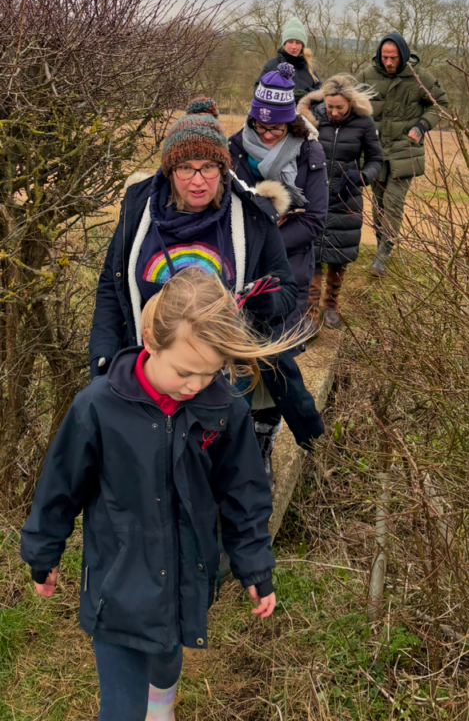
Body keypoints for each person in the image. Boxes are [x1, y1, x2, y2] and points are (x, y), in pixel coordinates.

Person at [21, 268, 298, 721]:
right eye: (185, 372)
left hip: (185, 571)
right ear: (151, 341)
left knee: (168, 652)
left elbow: (244, 494)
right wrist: (43, 552)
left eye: (210, 374)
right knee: (121, 706)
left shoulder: (224, 409)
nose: (195, 385)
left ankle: (162, 705)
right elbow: (60, 484)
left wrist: (254, 565)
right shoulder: (98, 405)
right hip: (117, 575)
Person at [89, 98, 324, 463]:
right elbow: (111, 283)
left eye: (209, 167)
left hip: (223, 376)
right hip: (151, 368)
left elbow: (286, 289)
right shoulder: (139, 210)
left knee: (216, 468)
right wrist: (103, 356)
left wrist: (264, 303)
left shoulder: (250, 216)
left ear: (223, 167)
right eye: (185, 167)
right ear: (169, 169)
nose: (198, 180)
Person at [229, 61, 328, 335]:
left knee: (280, 344)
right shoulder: (233, 149)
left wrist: (266, 244)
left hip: (288, 265)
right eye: (260, 127)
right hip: (240, 262)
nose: (268, 135)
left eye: (277, 128)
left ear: (290, 123)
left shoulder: (310, 154)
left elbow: (314, 221)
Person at [357, 32, 448, 276]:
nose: (388, 62)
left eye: (393, 57)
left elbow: (440, 105)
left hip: (404, 150)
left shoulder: (419, 76)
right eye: (385, 57)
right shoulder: (366, 76)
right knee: (378, 205)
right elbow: (348, 102)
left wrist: (421, 126)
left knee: (393, 203)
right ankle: (380, 247)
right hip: (375, 151)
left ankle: (383, 255)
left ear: (403, 55)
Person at [299, 75, 383, 328]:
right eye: (329, 106)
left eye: (339, 108)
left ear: (350, 103)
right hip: (312, 196)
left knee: (338, 254)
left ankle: (332, 305)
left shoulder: (364, 123)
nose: (333, 112)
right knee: (311, 253)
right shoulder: (311, 118)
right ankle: (311, 312)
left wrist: (361, 177)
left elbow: (376, 160)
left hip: (346, 197)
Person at [256, 17, 321, 102]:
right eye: (290, 42)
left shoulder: (309, 69)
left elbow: (321, 93)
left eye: (298, 43)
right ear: (284, 43)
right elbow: (257, 91)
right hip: (278, 114)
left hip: (303, 114)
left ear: (302, 46)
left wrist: (307, 95)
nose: (294, 47)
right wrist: (283, 96)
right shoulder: (271, 65)